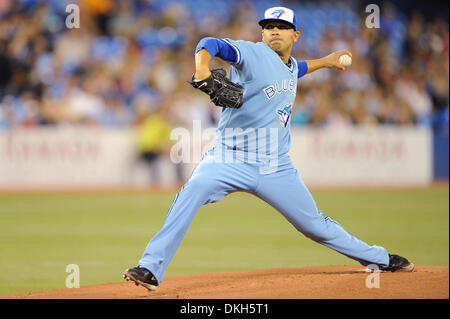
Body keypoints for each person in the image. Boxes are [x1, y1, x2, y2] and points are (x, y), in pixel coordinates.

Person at [123, 6, 414, 291]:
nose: (274, 31)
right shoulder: (253, 53)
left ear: (295, 35)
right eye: (269, 27)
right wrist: (202, 67)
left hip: (275, 165)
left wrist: (326, 61)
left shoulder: (288, 67)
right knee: (191, 192)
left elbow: (294, 70)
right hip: (228, 157)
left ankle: (379, 258)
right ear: (262, 34)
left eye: (282, 27)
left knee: (315, 226)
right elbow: (209, 44)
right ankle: (150, 267)